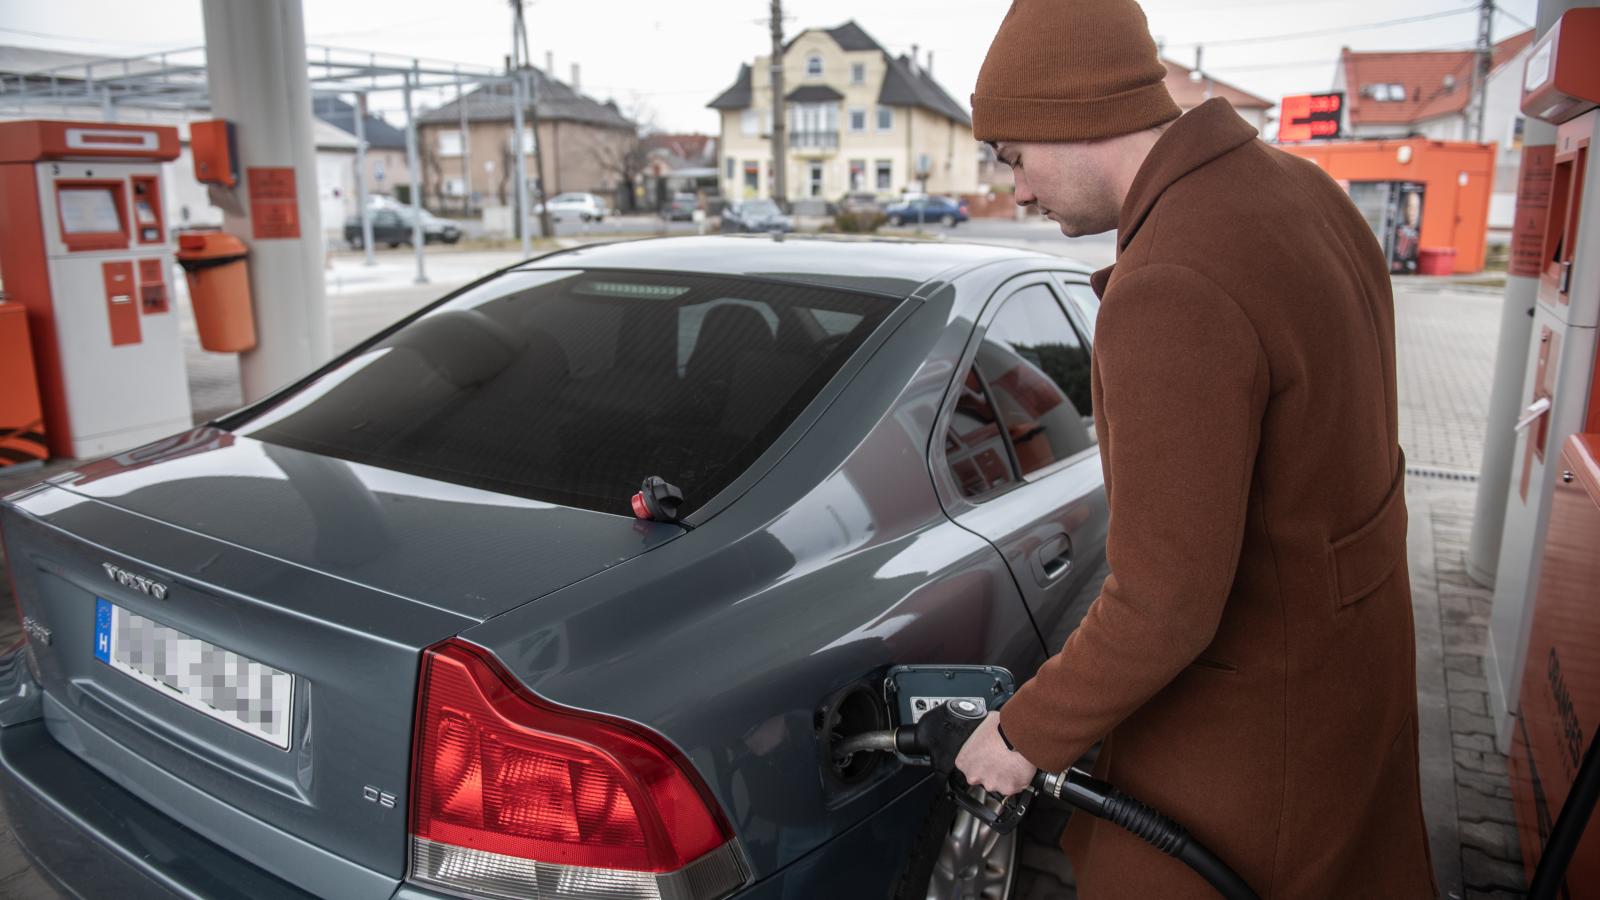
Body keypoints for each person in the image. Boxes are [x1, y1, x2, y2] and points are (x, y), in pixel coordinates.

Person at [952, 1, 1438, 896]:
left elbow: (1162, 607)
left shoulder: (1171, 283)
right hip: (1351, 693)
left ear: (1075, 119)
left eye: (1014, 157)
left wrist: (1022, 736)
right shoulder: (1305, 191)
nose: (1016, 190)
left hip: (1249, 752)